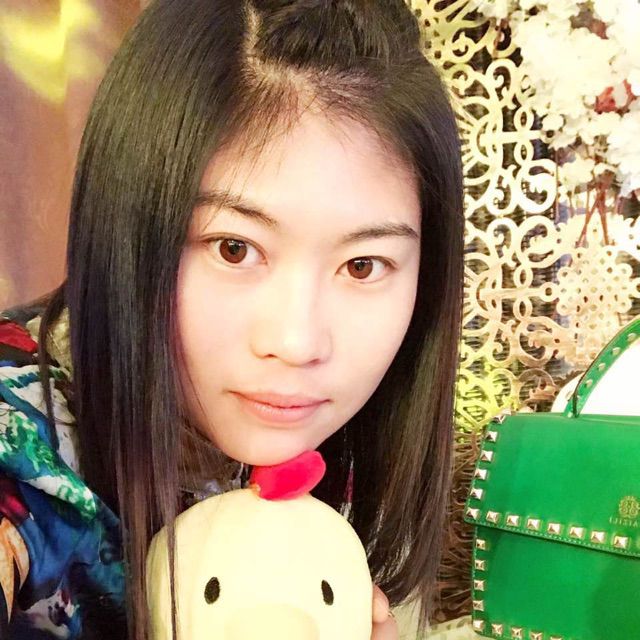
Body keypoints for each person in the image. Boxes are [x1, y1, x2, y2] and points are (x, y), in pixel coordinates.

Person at [0, 0, 464, 638]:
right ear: (127, 226)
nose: (297, 343)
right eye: (234, 249)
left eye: (363, 265)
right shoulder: (21, 437)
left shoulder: (343, 447)